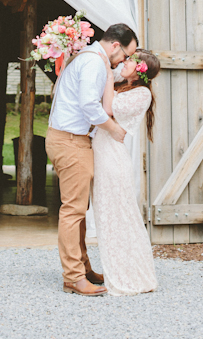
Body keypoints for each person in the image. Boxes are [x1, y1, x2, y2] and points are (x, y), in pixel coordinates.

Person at [45, 23, 138, 296]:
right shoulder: (94, 64)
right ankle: (73, 277)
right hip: (70, 142)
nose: (125, 61)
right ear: (115, 46)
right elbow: (89, 104)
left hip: (72, 140)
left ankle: (83, 268)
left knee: (79, 210)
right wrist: (114, 129)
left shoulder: (92, 60)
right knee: (73, 211)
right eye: (125, 55)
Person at [92, 49, 161, 295]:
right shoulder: (123, 84)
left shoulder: (142, 94)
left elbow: (108, 109)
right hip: (102, 151)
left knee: (119, 216)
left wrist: (109, 77)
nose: (125, 62)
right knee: (106, 215)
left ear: (141, 69)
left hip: (112, 156)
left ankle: (131, 276)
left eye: (131, 60)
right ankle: (118, 269)